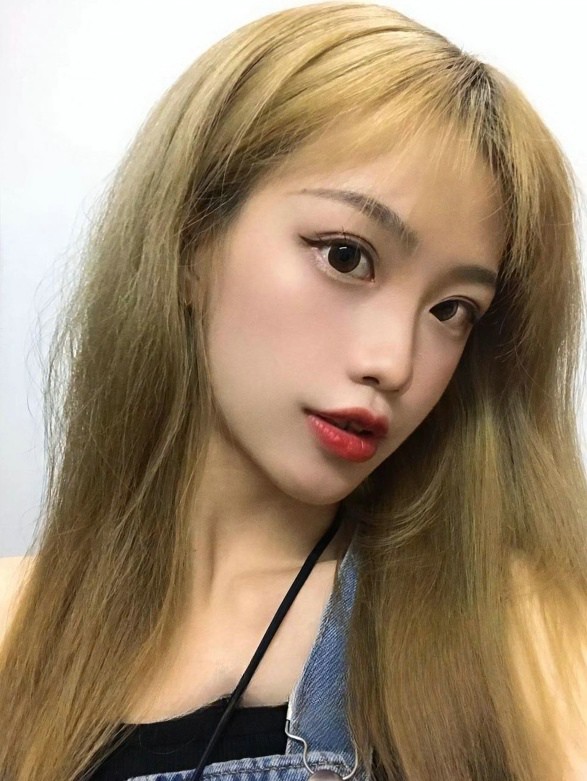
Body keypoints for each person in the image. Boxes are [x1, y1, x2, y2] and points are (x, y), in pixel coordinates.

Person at [1, 2, 586, 779]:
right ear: (188, 241)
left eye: (452, 310)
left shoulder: (521, 633)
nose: (394, 362)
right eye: (345, 256)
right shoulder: (15, 629)